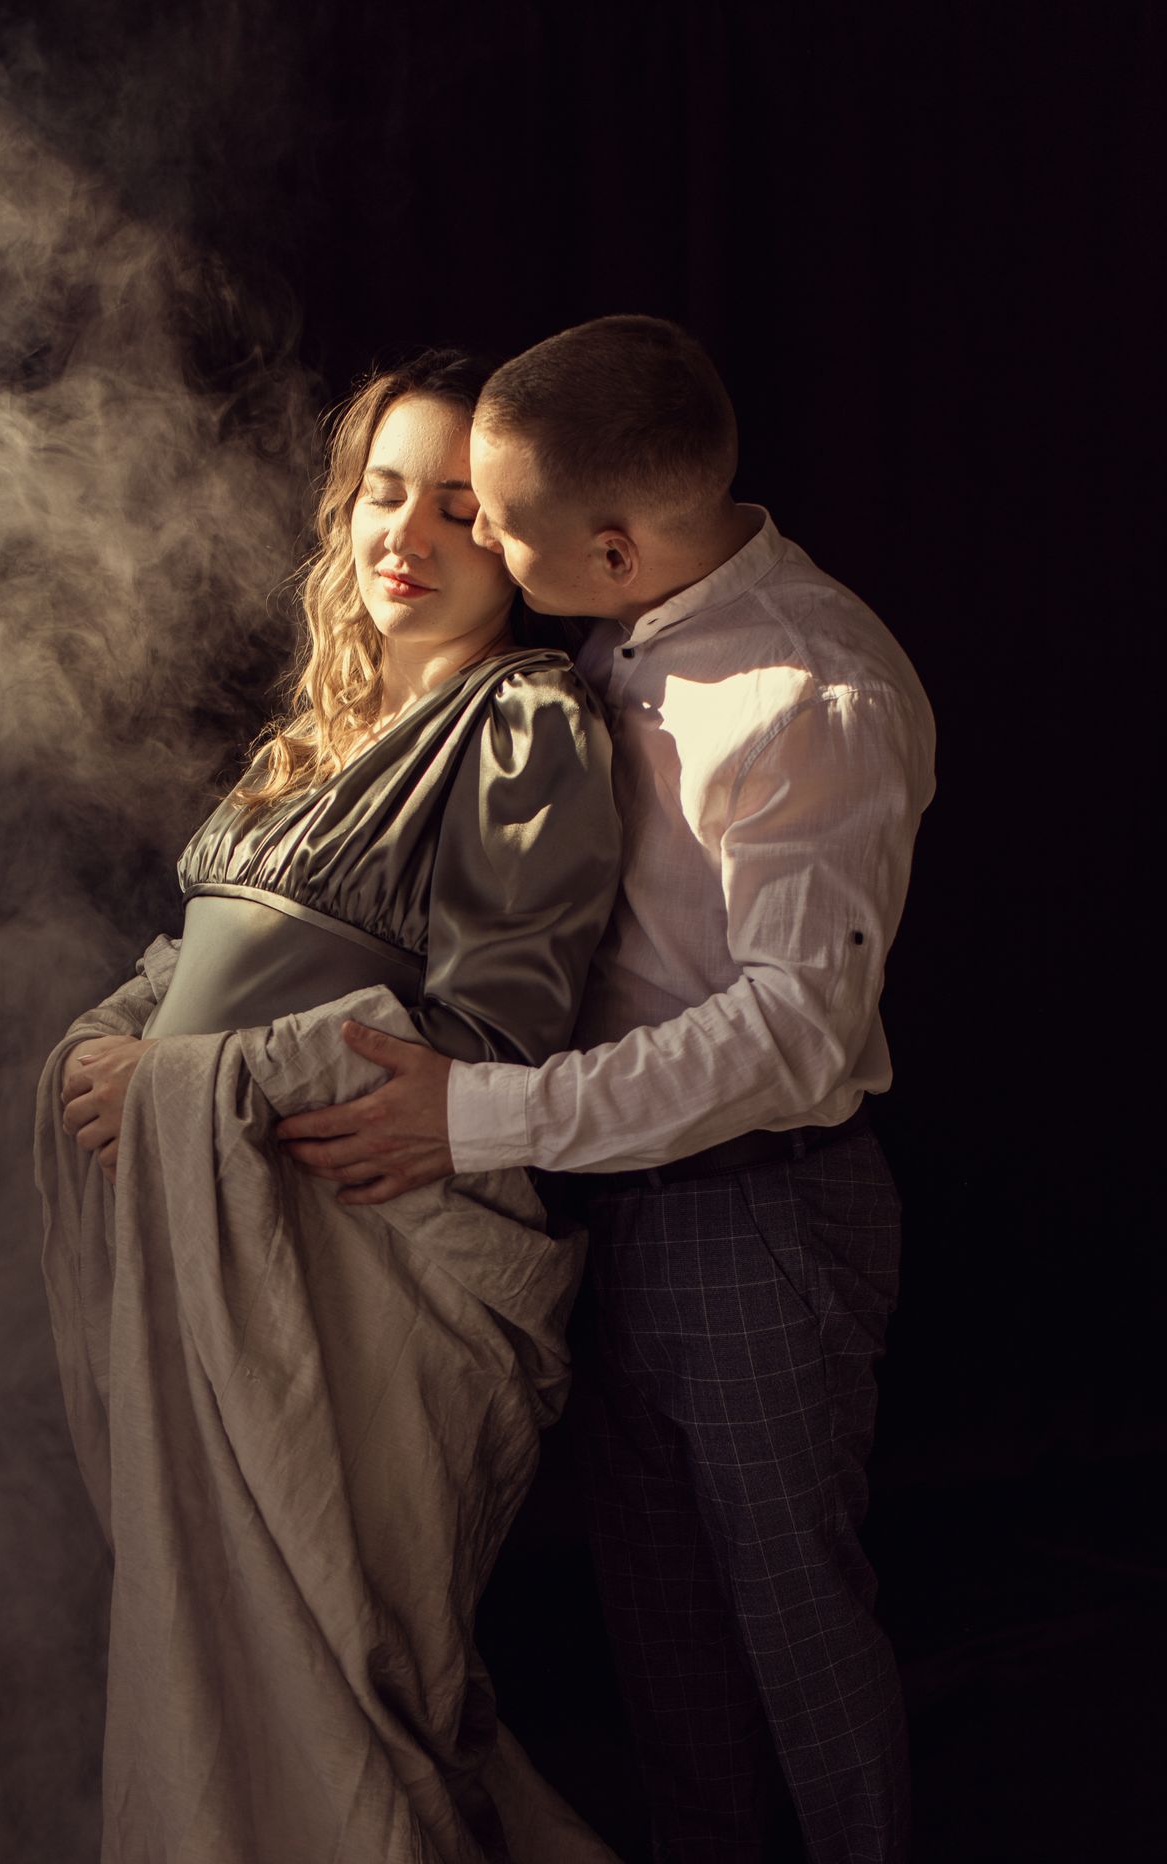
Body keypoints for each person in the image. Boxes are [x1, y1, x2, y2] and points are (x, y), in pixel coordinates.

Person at [278, 316, 937, 1864]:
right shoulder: (612, 632)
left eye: (496, 524)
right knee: (660, 1630)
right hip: (613, 1206)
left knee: (791, 1627)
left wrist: (474, 1115)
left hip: (757, 1216)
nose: (478, 549)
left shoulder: (810, 694)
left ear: (618, 549)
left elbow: (794, 1036)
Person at [33, 350, 626, 1864]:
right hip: (228, 1260)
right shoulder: (316, 735)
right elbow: (193, 958)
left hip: (371, 1272)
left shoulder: (525, 721)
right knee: (221, 1677)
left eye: (459, 510)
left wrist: (180, 1084)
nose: (405, 535)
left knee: (347, 1693)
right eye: (382, 493)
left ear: (517, 542)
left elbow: (490, 1036)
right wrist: (110, 1042)